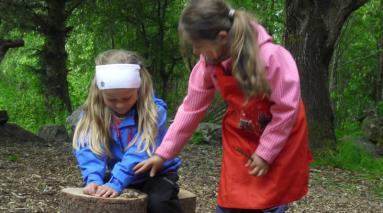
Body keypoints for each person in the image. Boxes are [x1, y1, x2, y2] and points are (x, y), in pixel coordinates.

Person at [134, 0, 312, 212]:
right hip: (241, 132)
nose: (194, 50)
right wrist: (163, 153)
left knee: (269, 195)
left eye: (198, 45)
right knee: (233, 195)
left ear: (221, 38)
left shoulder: (271, 57)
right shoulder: (208, 63)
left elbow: (286, 110)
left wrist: (266, 152)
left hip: (279, 132)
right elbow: (191, 109)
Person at [72, 49, 182, 213]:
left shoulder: (154, 112)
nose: (120, 105)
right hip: (116, 173)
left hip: (155, 174)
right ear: (100, 93)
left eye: (127, 98)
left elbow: (141, 151)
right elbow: (88, 149)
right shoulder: (92, 114)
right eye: (112, 99)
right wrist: (93, 179)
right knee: (95, 200)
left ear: (138, 89)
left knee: (161, 203)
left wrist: (117, 182)